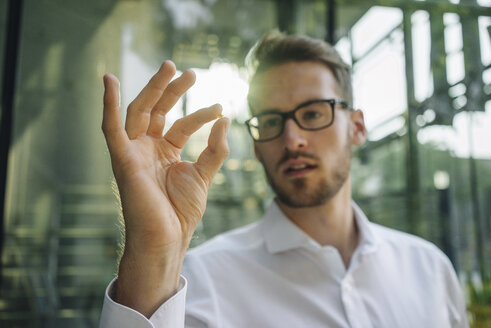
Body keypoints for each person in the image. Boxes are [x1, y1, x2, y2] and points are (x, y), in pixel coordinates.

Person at [99, 31, 468, 328]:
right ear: (258, 148)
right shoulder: (198, 283)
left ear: (357, 127)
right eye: (272, 122)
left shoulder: (430, 269)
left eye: (312, 113)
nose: (292, 140)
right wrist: (152, 253)